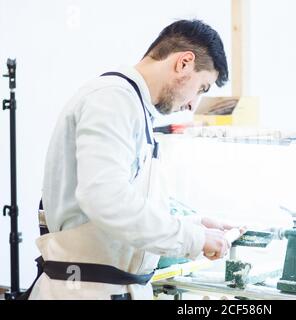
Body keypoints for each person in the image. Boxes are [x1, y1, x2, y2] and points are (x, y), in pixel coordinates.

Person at [28, 19, 243, 300]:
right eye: (202, 88)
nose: (193, 104)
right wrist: (195, 239)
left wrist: (195, 223)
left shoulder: (134, 106)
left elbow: (131, 201)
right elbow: (106, 200)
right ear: (184, 63)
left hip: (108, 287)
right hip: (83, 288)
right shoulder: (111, 99)